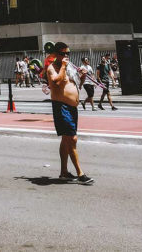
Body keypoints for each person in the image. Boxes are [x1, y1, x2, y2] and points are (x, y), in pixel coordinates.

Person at [46, 43, 92, 184]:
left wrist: (83, 76)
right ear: (55, 54)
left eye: (68, 53)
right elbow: (57, 82)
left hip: (72, 108)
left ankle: (64, 172)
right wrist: (64, 67)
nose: (66, 56)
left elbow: (77, 84)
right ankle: (80, 173)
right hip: (61, 106)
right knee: (72, 139)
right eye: (63, 53)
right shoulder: (52, 68)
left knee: (66, 139)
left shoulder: (70, 67)